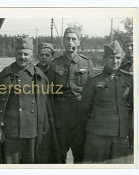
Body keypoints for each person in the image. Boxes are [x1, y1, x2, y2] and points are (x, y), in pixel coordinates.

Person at [0, 37, 61, 164]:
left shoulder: (39, 77)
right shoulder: (3, 76)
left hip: (32, 133)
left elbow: (46, 108)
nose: (22, 57)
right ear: (15, 54)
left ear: (32, 56)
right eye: (19, 54)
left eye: (26, 54)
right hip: (11, 133)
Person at [82, 40, 133, 163]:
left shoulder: (129, 79)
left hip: (121, 135)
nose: (115, 61)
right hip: (98, 135)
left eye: (117, 58)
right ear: (105, 59)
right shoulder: (94, 79)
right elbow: (85, 108)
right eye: (111, 57)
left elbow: (133, 107)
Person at [51, 28, 94, 163]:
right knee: (58, 155)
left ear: (79, 42)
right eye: (67, 39)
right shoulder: (54, 64)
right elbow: (50, 93)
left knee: (80, 154)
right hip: (61, 116)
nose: (70, 42)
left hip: (80, 116)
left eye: (73, 39)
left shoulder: (87, 63)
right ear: (63, 41)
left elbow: (92, 92)